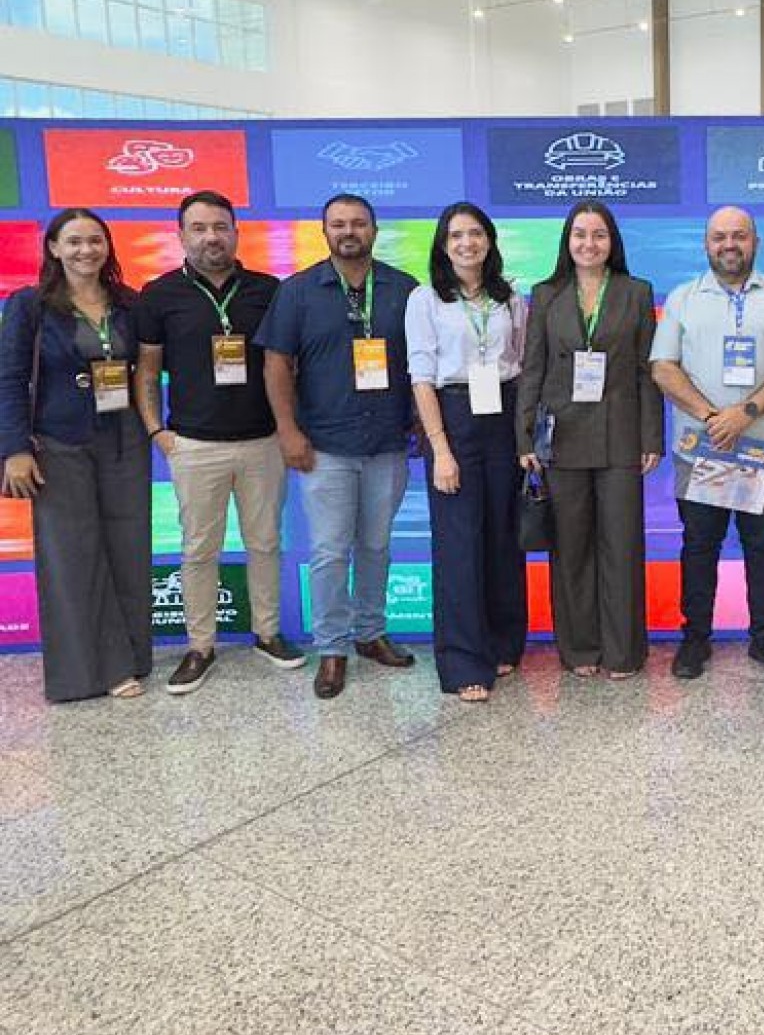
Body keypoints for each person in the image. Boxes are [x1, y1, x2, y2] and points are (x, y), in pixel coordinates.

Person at [134, 190, 303, 693]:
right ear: (181, 235)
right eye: (200, 228)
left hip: (263, 443)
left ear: (235, 232)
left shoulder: (269, 290)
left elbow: (288, 367)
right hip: (193, 445)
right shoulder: (158, 294)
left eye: (220, 227)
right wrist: (157, 431)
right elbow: (147, 370)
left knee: (265, 542)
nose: (212, 237)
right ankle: (200, 645)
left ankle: (267, 634)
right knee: (198, 549)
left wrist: (290, 428)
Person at [256, 193, 418, 700]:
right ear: (324, 232)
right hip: (324, 446)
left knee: (376, 545)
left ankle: (370, 633)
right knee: (329, 551)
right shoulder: (298, 291)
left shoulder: (404, 289)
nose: (349, 232)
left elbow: (423, 363)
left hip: (388, 442)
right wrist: (287, 431)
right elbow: (276, 364)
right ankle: (331, 647)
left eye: (359, 223)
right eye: (339, 224)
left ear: (374, 230)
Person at [650, 205, 764, 680]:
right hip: (703, 449)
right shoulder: (683, 298)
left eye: (739, 236)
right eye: (719, 237)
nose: (729, 245)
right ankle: (695, 639)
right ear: (706, 244)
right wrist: (711, 417)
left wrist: (745, 413)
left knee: (763, 546)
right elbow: (662, 367)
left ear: (755, 242)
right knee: (700, 546)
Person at [0, 206, 152, 701]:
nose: (86, 250)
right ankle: (95, 673)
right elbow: (8, 378)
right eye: (74, 241)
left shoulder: (129, 303)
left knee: (129, 550)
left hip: (124, 440)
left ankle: (134, 657)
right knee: (72, 556)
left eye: (95, 241)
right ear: (54, 248)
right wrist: (14, 449)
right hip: (58, 443)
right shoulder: (29, 305)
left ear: (108, 246)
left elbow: (148, 369)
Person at [517, 200, 662, 679]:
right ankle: (580, 649)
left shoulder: (636, 292)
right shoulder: (545, 294)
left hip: (621, 436)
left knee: (622, 546)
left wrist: (651, 436)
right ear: (568, 241)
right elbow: (533, 369)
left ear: (611, 241)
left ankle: (623, 652)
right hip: (561, 437)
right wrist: (525, 439)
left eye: (599, 234)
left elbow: (647, 371)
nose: (589, 243)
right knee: (571, 549)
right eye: (580, 234)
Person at [407, 201, 528, 702]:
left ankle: (502, 643)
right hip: (452, 419)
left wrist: (525, 439)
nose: (467, 243)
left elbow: (520, 363)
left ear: (489, 240)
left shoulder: (510, 298)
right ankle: (462, 662)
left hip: (502, 416)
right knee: (459, 544)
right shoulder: (425, 300)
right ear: (443, 244)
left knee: (502, 535)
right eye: (456, 235)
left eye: (475, 233)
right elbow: (421, 379)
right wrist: (440, 450)